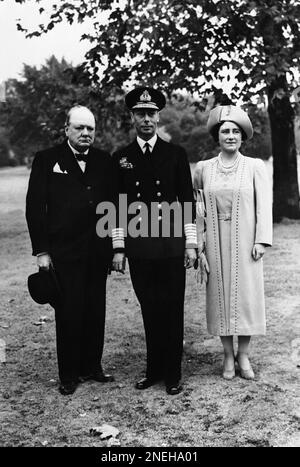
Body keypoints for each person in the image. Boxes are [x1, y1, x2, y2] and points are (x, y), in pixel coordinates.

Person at [26, 105, 125, 395]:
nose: (85, 133)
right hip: (63, 252)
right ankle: (69, 374)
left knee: (95, 309)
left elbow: (116, 207)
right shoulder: (47, 160)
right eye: (79, 128)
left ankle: (92, 366)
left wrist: (117, 248)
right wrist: (42, 251)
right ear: (66, 129)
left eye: (90, 129)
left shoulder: (105, 161)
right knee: (69, 311)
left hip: (98, 251)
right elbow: (35, 207)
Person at [113, 87, 197, 395]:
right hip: (140, 247)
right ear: (132, 117)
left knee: (172, 307)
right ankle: (154, 370)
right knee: (149, 306)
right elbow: (118, 204)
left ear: (158, 116)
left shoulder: (175, 154)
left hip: (171, 245)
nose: (146, 119)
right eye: (140, 113)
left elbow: (186, 200)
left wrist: (190, 243)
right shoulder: (121, 157)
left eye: (151, 113)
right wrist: (118, 247)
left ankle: (173, 373)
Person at [193, 104, 272, 380]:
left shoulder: (254, 166)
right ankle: (227, 355)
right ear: (217, 136)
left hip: (246, 240)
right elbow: (198, 209)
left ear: (242, 136)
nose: (230, 136)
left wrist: (261, 240)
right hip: (215, 241)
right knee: (220, 297)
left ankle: (244, 355)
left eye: (235, 131)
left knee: (246, 297)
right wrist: (199, 244)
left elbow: (264, 205)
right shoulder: (204, 169)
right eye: (225, 131)